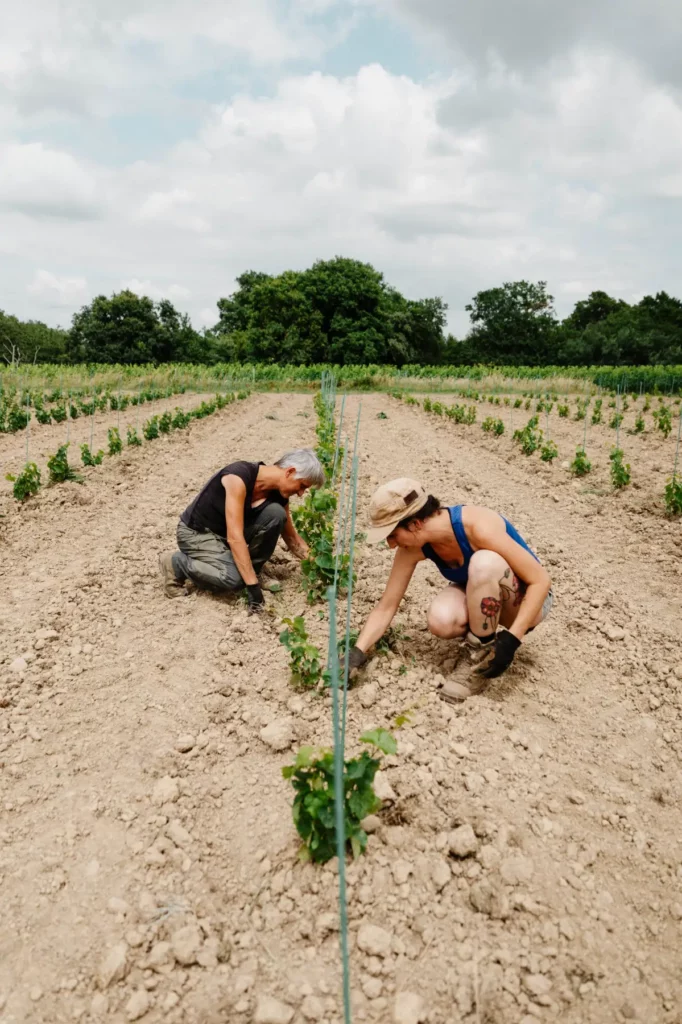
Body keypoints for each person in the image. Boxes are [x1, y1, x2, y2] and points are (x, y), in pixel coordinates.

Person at [345, 478, 553, 701]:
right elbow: (387, 605)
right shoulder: (414, 547)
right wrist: (356, 654)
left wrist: (513, 639)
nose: (391, 544)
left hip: (527, 602)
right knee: (441, 618)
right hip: (482, 594)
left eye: (393, 535)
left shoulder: (478, 528)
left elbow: (541, 581)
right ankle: (483, 641)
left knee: (484, 563)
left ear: (415, 524)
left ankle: (480, 658)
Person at [158, 449, 324, 614]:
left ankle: (250, 570)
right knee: (234, 579)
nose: (301, 494)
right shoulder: (238, 477)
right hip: (197, 533)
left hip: (225, 536)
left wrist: (322, 569)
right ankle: (176, 564)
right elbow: (235, 537)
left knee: (276, 514)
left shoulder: (279, 496)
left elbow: (293, 539)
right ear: (290, 472)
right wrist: (252, 586)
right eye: (302, 486)